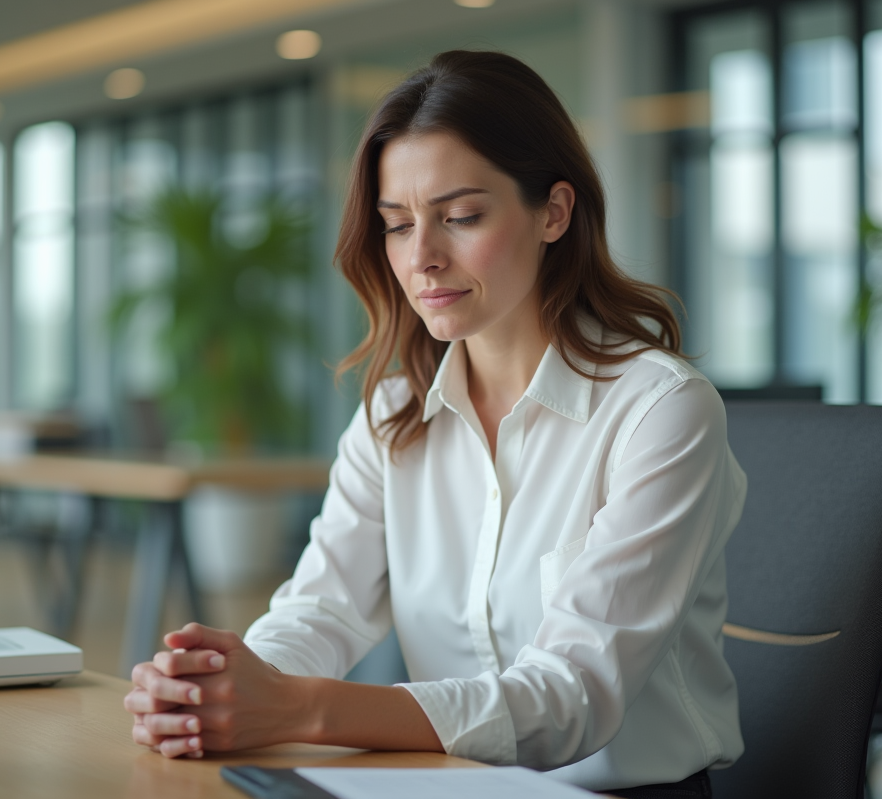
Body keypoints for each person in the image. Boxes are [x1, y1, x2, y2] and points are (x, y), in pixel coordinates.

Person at [123, 50, 746, 798]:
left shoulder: (660, 409)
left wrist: (305, 709)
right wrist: (224, 690)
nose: (421, 258)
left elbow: (571, 697)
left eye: (461, 217)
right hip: (443, 783)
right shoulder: (395, 411)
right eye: (396, 225)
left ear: (553, 211)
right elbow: (321, 608)